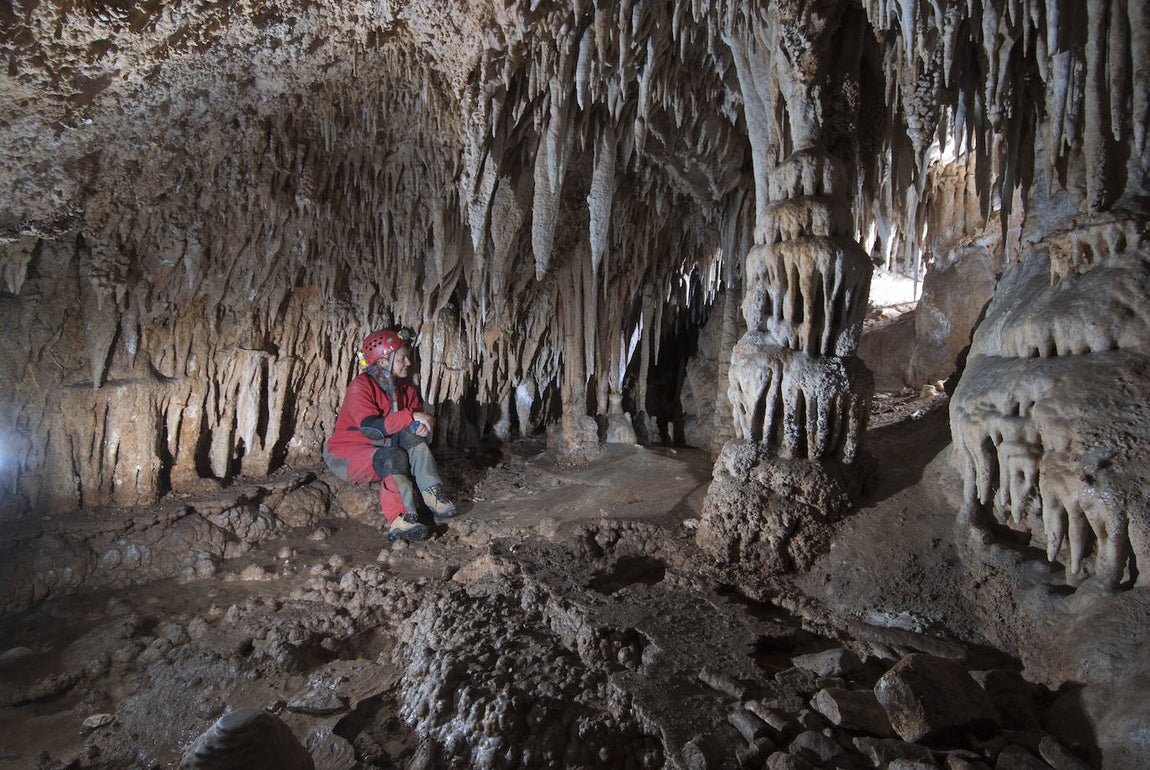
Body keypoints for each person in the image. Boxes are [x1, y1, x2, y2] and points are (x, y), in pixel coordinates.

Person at [323, 327, 457, 542]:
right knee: (393, 456)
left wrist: (422, 425)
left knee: (413, 438)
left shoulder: (405, 390)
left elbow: (413, 418)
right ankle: (401, 518)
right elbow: (371, 428)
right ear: (384, 361)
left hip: (383, 445)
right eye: (402, 359)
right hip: (347, 453)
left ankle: (433, 495)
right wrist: (410, 418)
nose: (408, 363)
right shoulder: (361, 386)